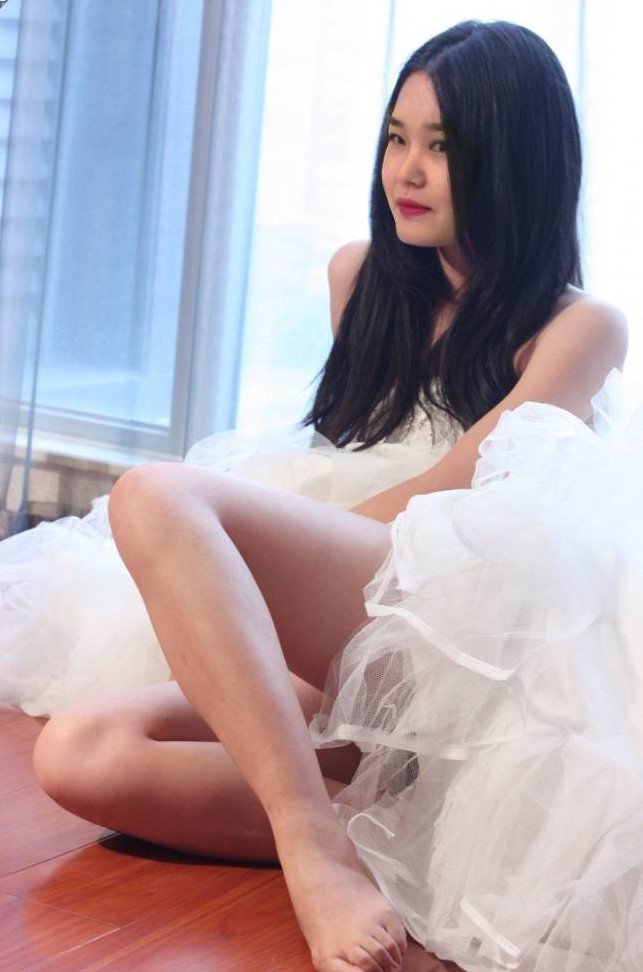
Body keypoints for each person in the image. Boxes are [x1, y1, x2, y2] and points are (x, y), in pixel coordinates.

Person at [6, 17, 643, 971]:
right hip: (348, 634)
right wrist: (270, 573)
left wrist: (267, 558)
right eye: (396, 138)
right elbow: (356, 445)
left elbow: (447, 494)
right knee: (77, 752)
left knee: (156, 496)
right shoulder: (361, 276)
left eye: (441, 148)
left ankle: (311, 851)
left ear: (516, 162)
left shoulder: (578, 326)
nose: (406, 172)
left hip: (451, 623)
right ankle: (391, 833)